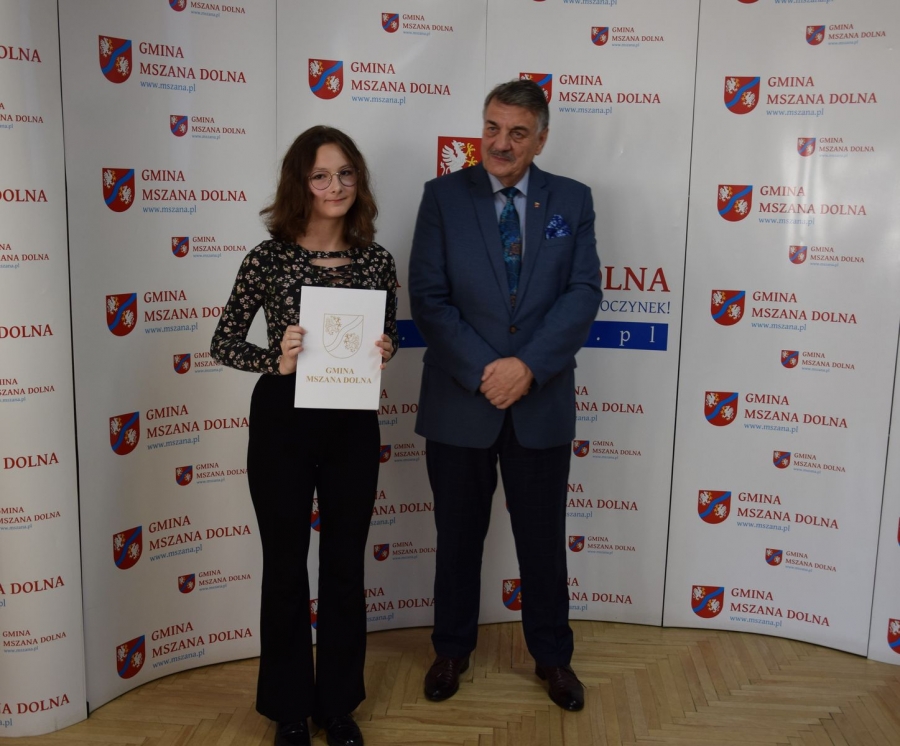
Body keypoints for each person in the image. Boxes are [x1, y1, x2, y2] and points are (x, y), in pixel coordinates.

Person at [408, 79, 602, 712]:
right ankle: (451, 650)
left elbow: (582, 293)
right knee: (457, 538)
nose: (500, 143)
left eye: (517, 132)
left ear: (540, 139)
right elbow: (429, 297)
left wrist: (528, 368)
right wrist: (487, 370)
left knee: (543, 542)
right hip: (460, 400)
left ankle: (553, 658)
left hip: (539, 402)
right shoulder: (442, 197)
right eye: (492, 127)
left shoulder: (572, 199)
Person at [211, 126, 398, 746]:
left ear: (358, 180)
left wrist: (386, 347)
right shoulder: (266, 258)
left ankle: (338, 705)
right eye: (321, 175)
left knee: (344, 566)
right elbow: (224, 342)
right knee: (286, 567)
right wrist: (276, 359)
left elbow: (388, 334)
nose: (335, 186)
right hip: (283, 426)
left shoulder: (377, 260)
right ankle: (289, 708)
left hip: (351, 427)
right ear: (301, 183)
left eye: (345, 173)